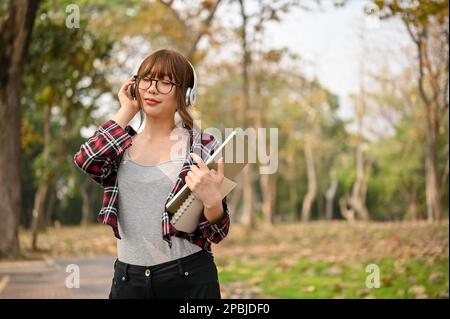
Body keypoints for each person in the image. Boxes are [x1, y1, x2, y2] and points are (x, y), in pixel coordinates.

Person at [73, 48, 230, 299]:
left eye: (166, 82)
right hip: (127, 282)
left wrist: (213, 201)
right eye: (146, 79)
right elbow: (86, 159)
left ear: (186, 94)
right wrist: (127, 109)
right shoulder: (119, 145)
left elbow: (217, 233)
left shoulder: (203, 146)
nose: (153, 89)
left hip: (189, 280)